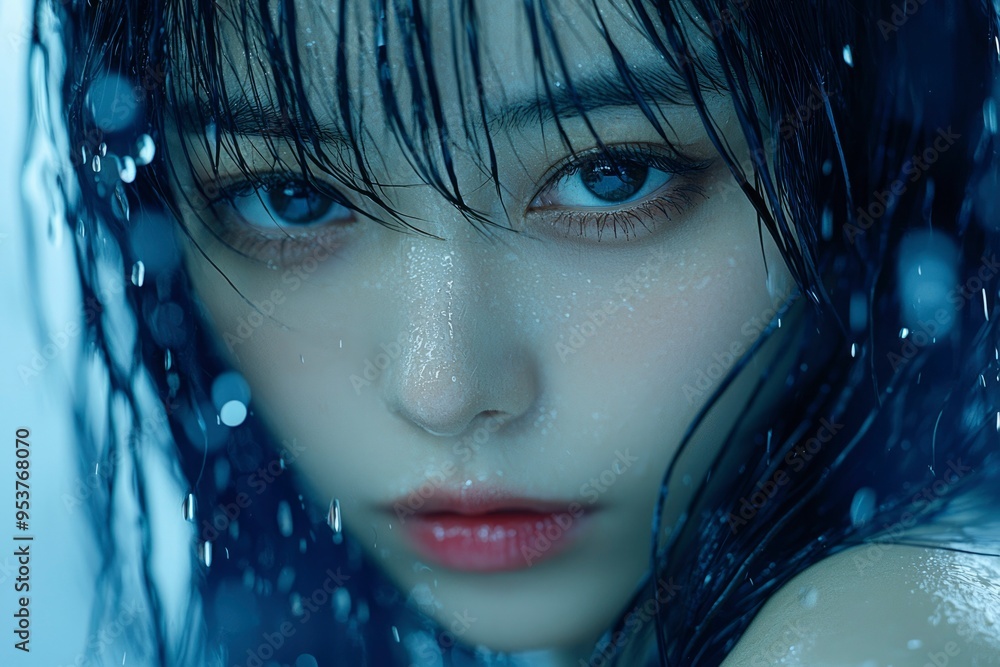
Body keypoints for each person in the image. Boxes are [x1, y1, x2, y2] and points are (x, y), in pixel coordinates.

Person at [22, 0, 1000, 664]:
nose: (440, 385)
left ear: (870, 149)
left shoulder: (877, 627)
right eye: (291, 197)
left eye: (611, 174)